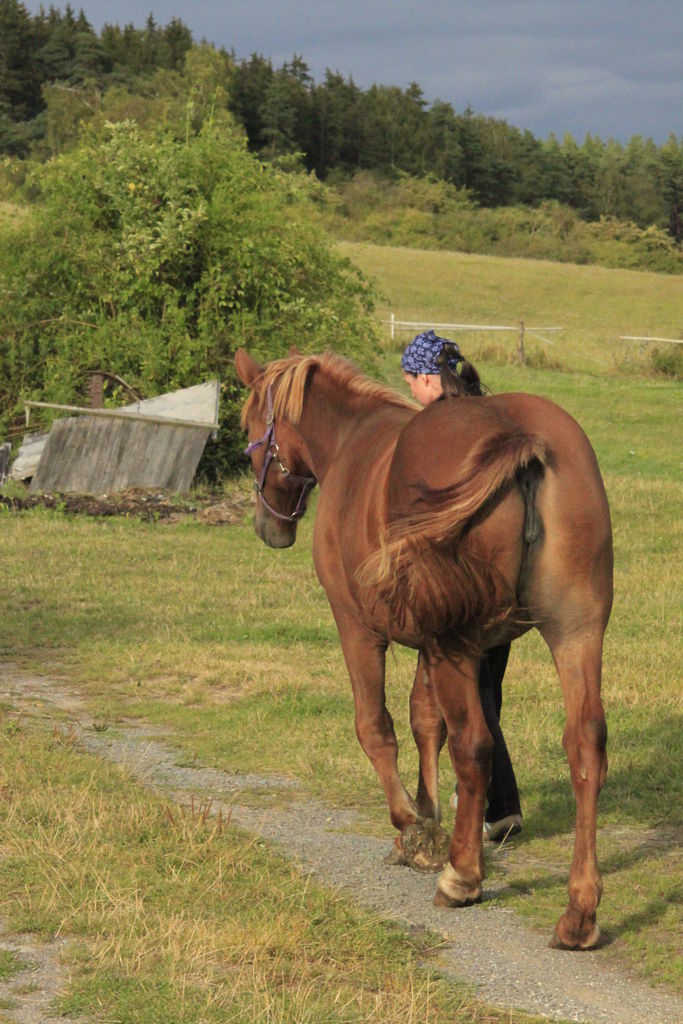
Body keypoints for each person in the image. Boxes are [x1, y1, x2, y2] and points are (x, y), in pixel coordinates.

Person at [401, 329, 523, 841]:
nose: (410, 392)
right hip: (509, 572)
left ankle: (497, 807)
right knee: (487, 688)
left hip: (466, 578)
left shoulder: (438, 430)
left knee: (469, 693)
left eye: (410, 382)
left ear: (429, 380)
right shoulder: (488, 414)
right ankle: (500, 806)